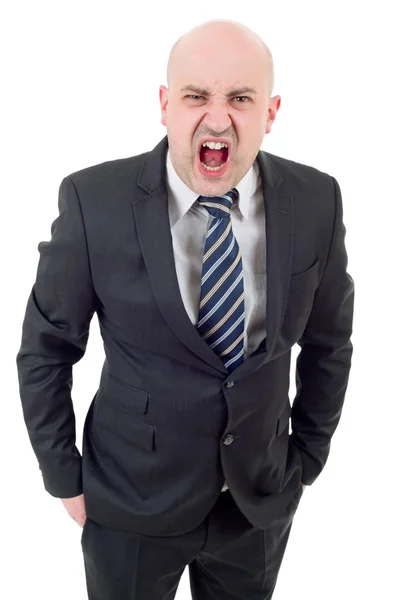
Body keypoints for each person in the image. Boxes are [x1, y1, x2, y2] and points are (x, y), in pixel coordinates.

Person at [16, 18, 354, 600]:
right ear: (166, 106)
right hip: (128, 503)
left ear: (270, 114)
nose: (218, 118)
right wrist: (63, 476)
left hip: (257, 505)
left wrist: (307, 459)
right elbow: (46, 350)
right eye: (197, 96)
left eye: (241, 99)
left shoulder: (317, 199)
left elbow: (329, 345)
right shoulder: (92, 202)